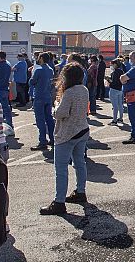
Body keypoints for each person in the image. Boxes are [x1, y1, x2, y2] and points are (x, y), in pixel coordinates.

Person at [40, 63, 90, 215]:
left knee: (61, 168)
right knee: (79, 163)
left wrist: (55, 106)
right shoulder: (84, 89)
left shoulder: (68, 92)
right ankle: (80, 192)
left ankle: (59, 202)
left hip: (67, 133)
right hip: (82, 130)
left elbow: (61, 113)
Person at [29, 53, 56, 150]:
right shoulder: (50, 70)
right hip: (47, 96)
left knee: (40, 120)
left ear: (41, 59)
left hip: (39, 96)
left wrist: (32, 75)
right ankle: (52, 139)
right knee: (49, 119)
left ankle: (42, 141)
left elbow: (32, 82)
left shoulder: (39, 70)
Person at [107, 59, 125, 125]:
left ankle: (114, 120)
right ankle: (120, 118)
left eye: (112, 64)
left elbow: (113, 82)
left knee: (115, 106)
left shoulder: (114, 72)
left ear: (115, 64)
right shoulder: (121, 71)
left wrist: (108, 80)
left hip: (114, 90)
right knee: (120, 105)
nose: (111, 65)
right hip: (120, 89)